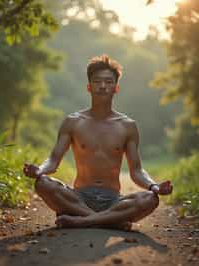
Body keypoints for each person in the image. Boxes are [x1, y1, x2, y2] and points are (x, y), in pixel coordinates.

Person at [23, 55, 173, 230]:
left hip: (113, 200)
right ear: (89, 86)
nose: (103, 86)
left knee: (150, 199)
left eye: (108, 82)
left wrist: (154, 186)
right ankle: (109, 221)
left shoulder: (128, 126)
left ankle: (82, 220)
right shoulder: (73, 122)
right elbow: (53, 160)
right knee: (42, 183)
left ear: (116, 88)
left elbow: (137, 171)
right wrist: (39, 170)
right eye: (97, 81)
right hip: (78, 198)